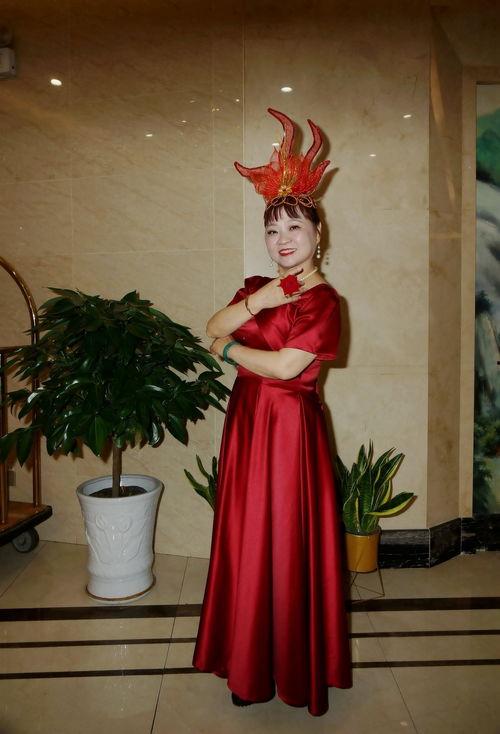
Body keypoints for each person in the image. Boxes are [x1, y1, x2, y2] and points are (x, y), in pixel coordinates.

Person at [192, 108, 353, 717]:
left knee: (286, 542)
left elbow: (286, 368)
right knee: (247, 540)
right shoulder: (256, 287)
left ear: (318, 233)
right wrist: (261, 298)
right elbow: (210, 323)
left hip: (290, 432)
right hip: (247, 426)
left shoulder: (326, 301)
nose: (283, 239)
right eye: (272, 229)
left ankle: (291, 667)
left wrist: (228, 350)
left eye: (294, 227)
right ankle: (247, 666)